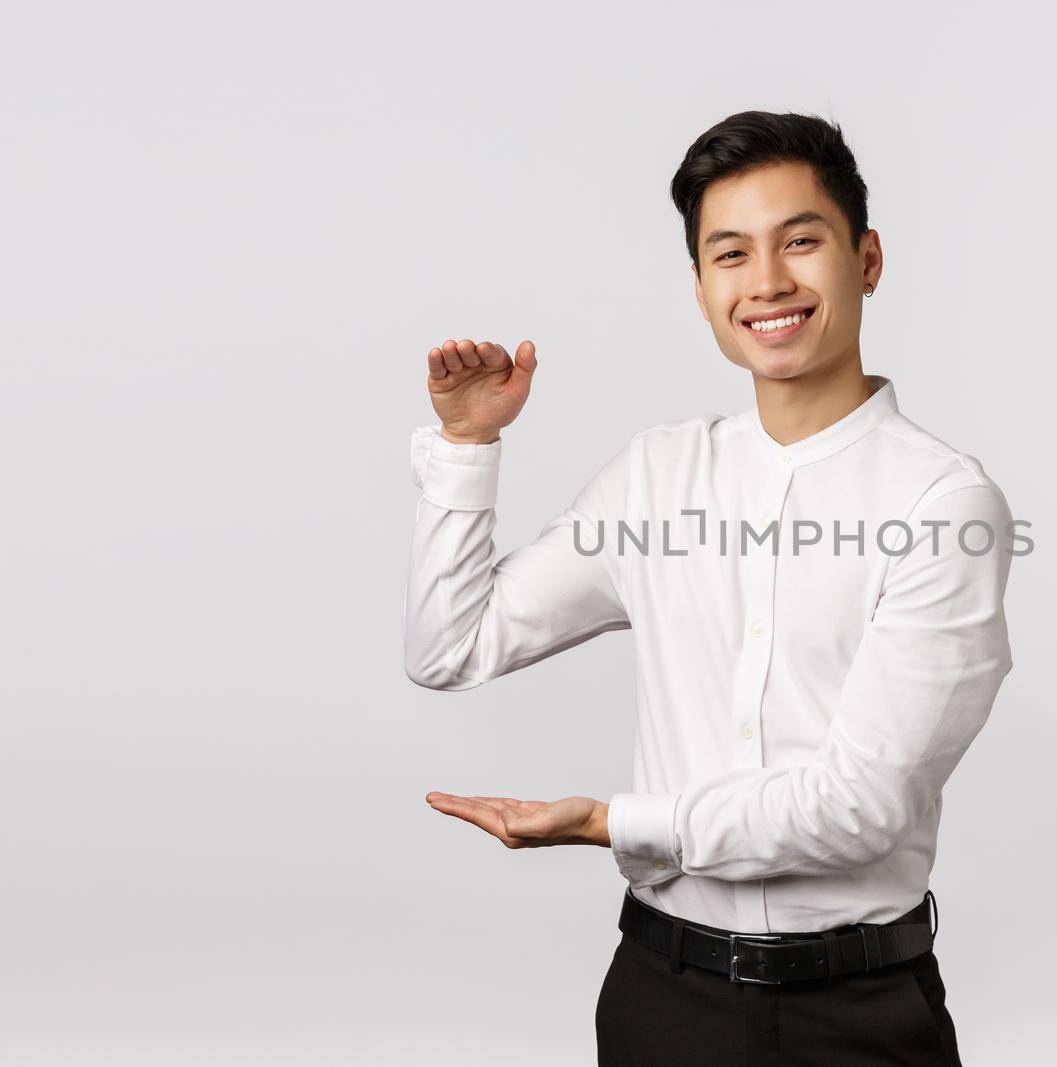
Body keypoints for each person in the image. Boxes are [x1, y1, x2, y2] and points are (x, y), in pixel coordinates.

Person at [404, 110, 1019, 1066]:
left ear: (868, 258)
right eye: (730, 254)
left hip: (855, 1015)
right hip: (661, 1001)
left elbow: (861, 807)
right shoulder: (656, 479)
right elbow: (453, 645)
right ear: (700, 290)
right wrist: (466, 447)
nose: (767, 281)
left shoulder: (943, 502)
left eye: (800, 241)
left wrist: (613, 821)